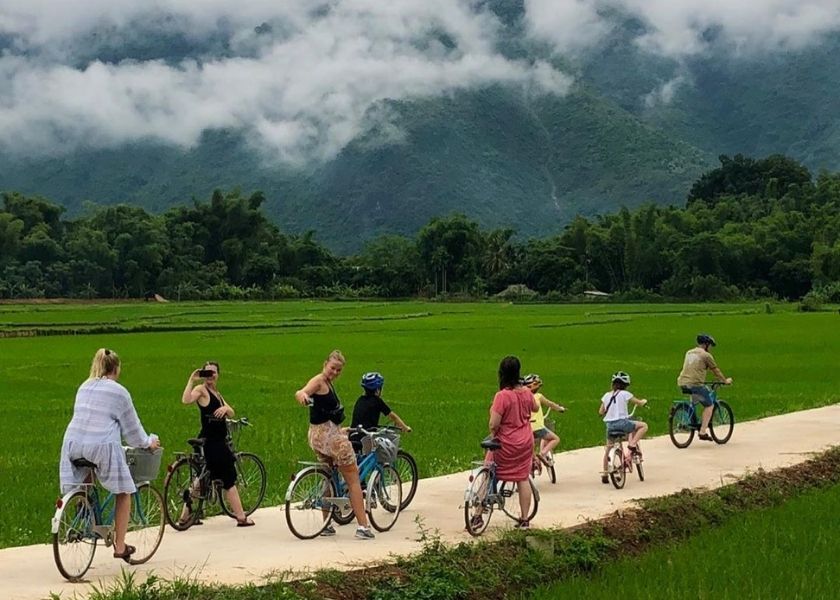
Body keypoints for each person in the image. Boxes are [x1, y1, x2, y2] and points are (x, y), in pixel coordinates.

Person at [59, 348, 161, 562]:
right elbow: (133, 431)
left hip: (72, 444)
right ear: (116, 368)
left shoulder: (84, 386)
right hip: (101, 446)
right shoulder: (119, 391)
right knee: (124, 491)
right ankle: (120, 546)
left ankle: (84, 507)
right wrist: (148, 442)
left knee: (87, 473)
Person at [295, 350, 375, 540]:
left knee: (328, 475)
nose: (335, 372)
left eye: (339, 370)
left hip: (319, 436)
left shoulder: (327, 383)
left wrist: (340, 429)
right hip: (329, 439)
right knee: (353, 478)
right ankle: (363, 527)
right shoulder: (319, 381)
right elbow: (302, 391)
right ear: (325, 365)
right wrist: (303, 397)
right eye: (333, 368)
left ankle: (326, 524)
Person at [180, 361, 254, 527]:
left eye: (213, 373)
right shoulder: (202, 391)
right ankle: (241, 517)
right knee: (229, 478)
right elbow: (186, 400)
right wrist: (192, 380)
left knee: (202, 477)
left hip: (211, 439)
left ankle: (185, 516)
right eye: (206, 373)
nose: (210, 376)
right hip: (213, 442)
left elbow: (231, 410)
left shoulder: (216, 393)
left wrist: (225, 410)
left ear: (218, 375)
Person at [481, 355, 539, 530]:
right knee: (522, 478)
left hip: (505, 444)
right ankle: (524, 519)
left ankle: (477, 515)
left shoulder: (502, 396)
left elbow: (494, 423)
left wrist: (493, 432)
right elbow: (535, 408)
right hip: (525, 443)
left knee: (488, 470)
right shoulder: (527, 393)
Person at [677, 333, 733, 441]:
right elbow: (715, 370)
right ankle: (702, 431)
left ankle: (689, 420)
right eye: (710, 345)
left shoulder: (689, 352)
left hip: (682, 382)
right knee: (709, 405)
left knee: (695, 397)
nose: (711, 348)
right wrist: (725, 381)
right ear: (706, 344)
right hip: (695, 384)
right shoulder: (706, 355)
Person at [599, 371, 648, 484]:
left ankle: (605, 474)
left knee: (608, 449)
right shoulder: (625, 394)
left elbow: (601, 411)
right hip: (622, 423)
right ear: (626, 385)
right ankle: (632, 444)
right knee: (643, 426)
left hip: (609, 426)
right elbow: (638, 402)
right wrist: (643, 402)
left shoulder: (606, 395)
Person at [349, 372, 411, 452]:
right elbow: (392, 416)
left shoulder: (360, 400)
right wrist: (405, 427)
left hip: (353, 435)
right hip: (366, 438)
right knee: (381, 453)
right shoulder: (377, 401)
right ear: (378, 390)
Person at [523, 374, 565, 467]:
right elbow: (550, 404)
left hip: (526, 427)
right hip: (537, 426)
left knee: (531, 447)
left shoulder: (523, 398)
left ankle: (533, 463)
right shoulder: (538, 396)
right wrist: (560, 409)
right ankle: (543, 453)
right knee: (555, 439)